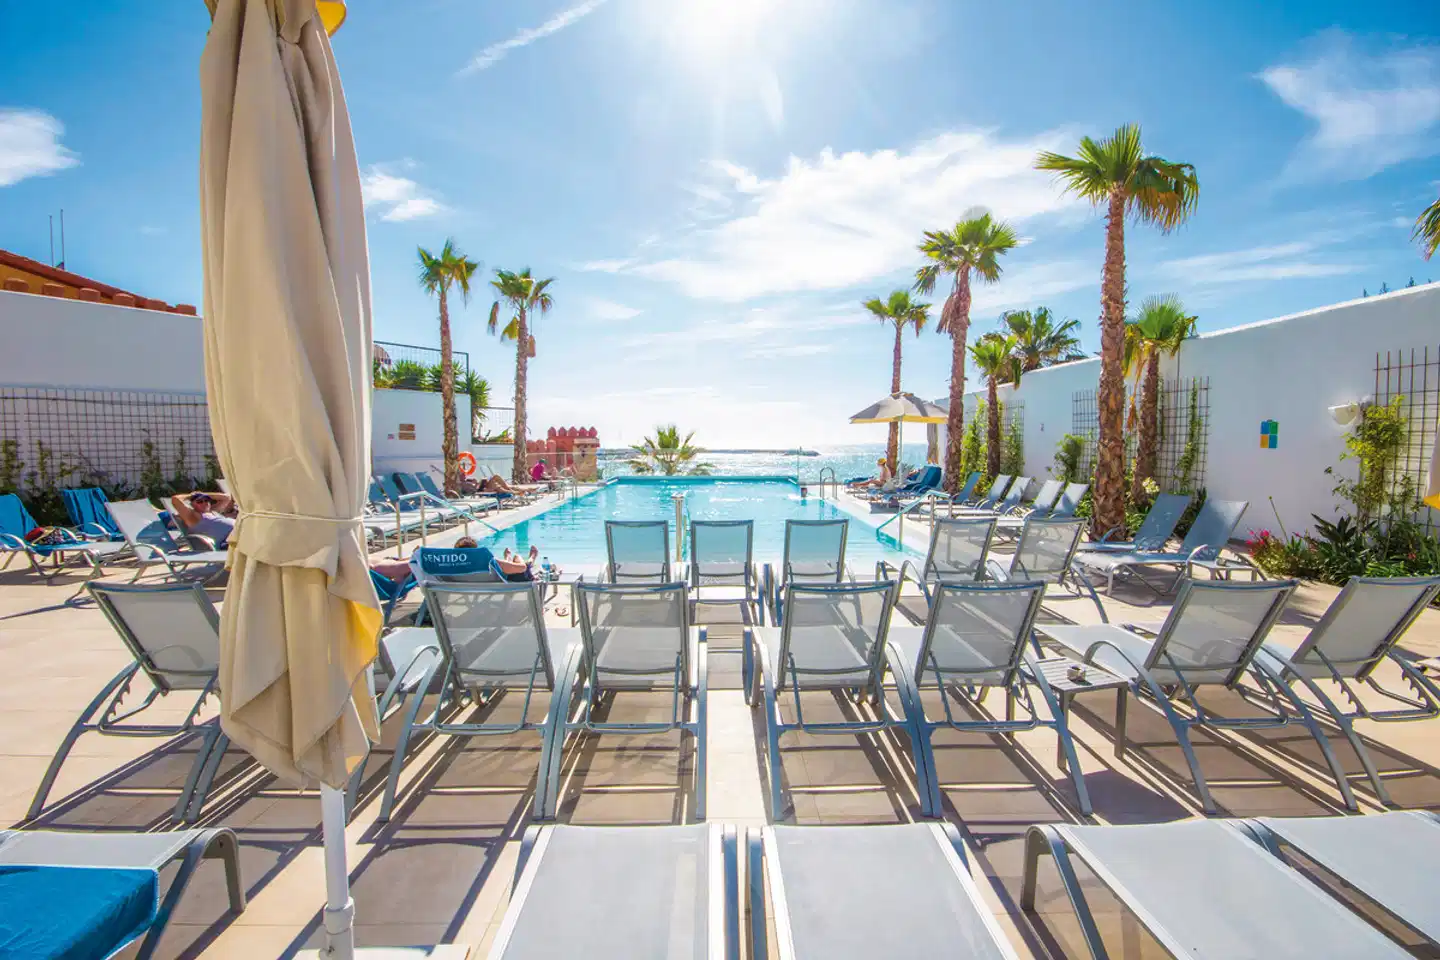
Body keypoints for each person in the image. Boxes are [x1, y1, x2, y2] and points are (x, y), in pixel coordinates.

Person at [169, 491, 237, 547]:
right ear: (192, 505)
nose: (204, 503)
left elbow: (226, 498)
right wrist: (191, 495)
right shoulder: (193, 516)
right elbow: (175, 499)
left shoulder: (212, 511)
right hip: (227, 542)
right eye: (199, 501)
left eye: (206, 500)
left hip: (236, 534)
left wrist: (202, 494)